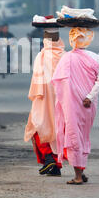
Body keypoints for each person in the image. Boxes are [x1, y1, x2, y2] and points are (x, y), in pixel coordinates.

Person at [52, 22, 99, 185]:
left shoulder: (66, 58)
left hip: (72, 105)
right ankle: (80, 169)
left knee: (74, 136)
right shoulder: (95, 57)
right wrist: (89, 96)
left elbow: (58, 82)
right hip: (89, 104)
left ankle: (78, 175)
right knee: (83, 136)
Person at [24, 24, 65, 176]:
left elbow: (36, 78)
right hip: (60, 99)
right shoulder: (64, 55)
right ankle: (56, 166)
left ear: (45, 39)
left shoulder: (41, 56)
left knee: (38, 126)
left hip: (42, 98)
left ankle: (49, 158)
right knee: (57, 130)